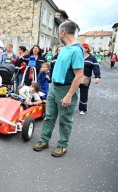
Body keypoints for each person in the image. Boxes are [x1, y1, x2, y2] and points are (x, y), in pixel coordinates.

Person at [33, 21, 84, 157]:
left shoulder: (76, 50)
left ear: (63, 32)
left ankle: (63, 145)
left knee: (65, 120)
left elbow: (79, 76)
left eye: (58, 32)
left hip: (65, 90)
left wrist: (69, 95)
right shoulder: (64, 49)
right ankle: (44, 140)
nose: (58, 34)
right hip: (54, 88)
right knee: (49, 117)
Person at [78, 43, 101, 115]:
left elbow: (96, 67)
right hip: (76, 77)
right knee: (72, 92)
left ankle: (82, 109)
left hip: (85, 78)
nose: (82, 49)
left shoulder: (92, 58)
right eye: (81, 48)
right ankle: (69, 106)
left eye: (84, 48)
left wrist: (97, 77)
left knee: (84, 93)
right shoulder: (78, 56)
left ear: (87, 49)